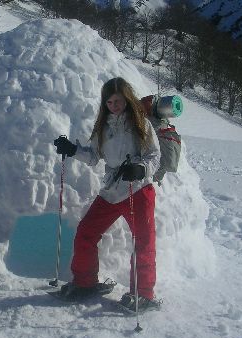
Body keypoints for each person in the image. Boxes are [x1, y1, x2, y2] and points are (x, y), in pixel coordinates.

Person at [53, 77, 161, 312]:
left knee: (142, 242)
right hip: (112, 191)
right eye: (110, 102)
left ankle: (143, 294)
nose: (114, 105)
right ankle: (84, 282)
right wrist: (72, 150)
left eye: (118, 101)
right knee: (86, 232)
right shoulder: (103, 127)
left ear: (128, 99)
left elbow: (154, 155)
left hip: (138, 189)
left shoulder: (141, 124)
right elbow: (93, 156)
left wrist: (142, 169)